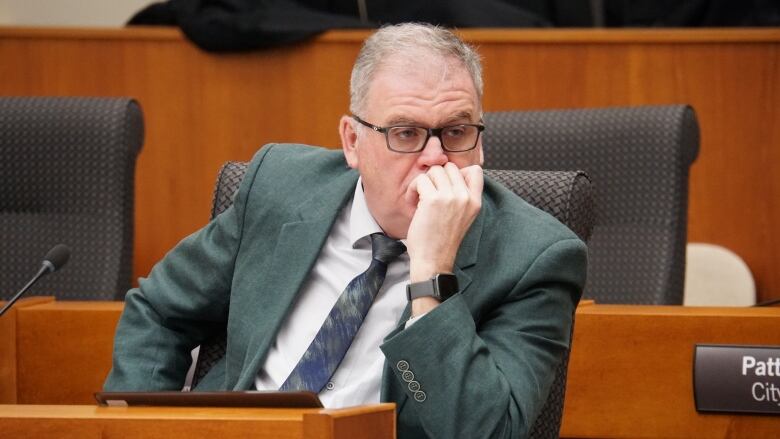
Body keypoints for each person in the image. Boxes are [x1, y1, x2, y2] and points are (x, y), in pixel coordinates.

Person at [105, 23, 587, 439]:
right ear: (352, 142)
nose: (436, 157)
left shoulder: (534, 258)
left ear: (479, 144)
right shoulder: (280, 186)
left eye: (457, 132)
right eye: (405, 133)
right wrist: (143, 428)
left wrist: (432, 279)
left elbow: (484, 431)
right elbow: (159, 311)